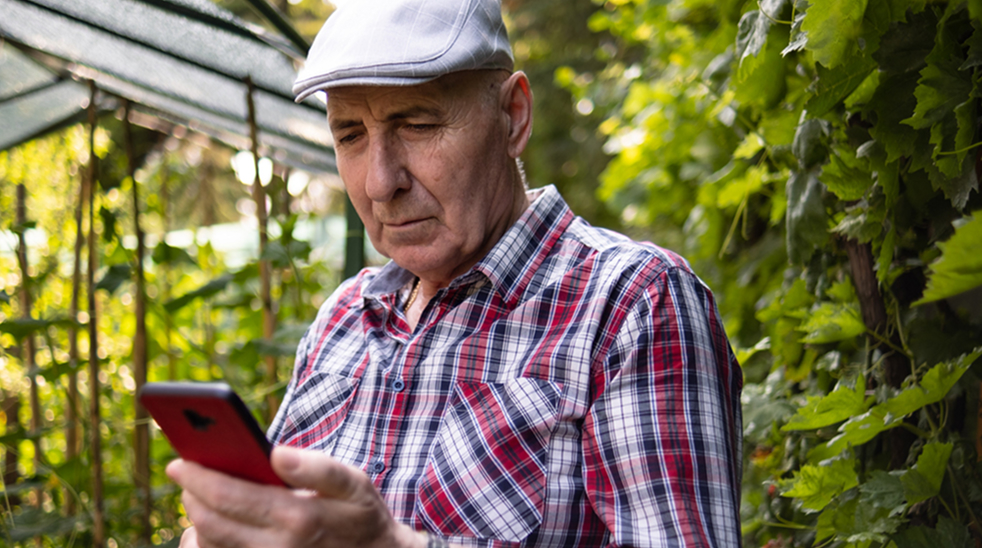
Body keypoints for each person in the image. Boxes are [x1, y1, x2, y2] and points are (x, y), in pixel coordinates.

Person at [166, 0, 742, 546]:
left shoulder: (631, 305)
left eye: (416, 124)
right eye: (350, 136)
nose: (379, 182)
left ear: (512, 116)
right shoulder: (343, 320)